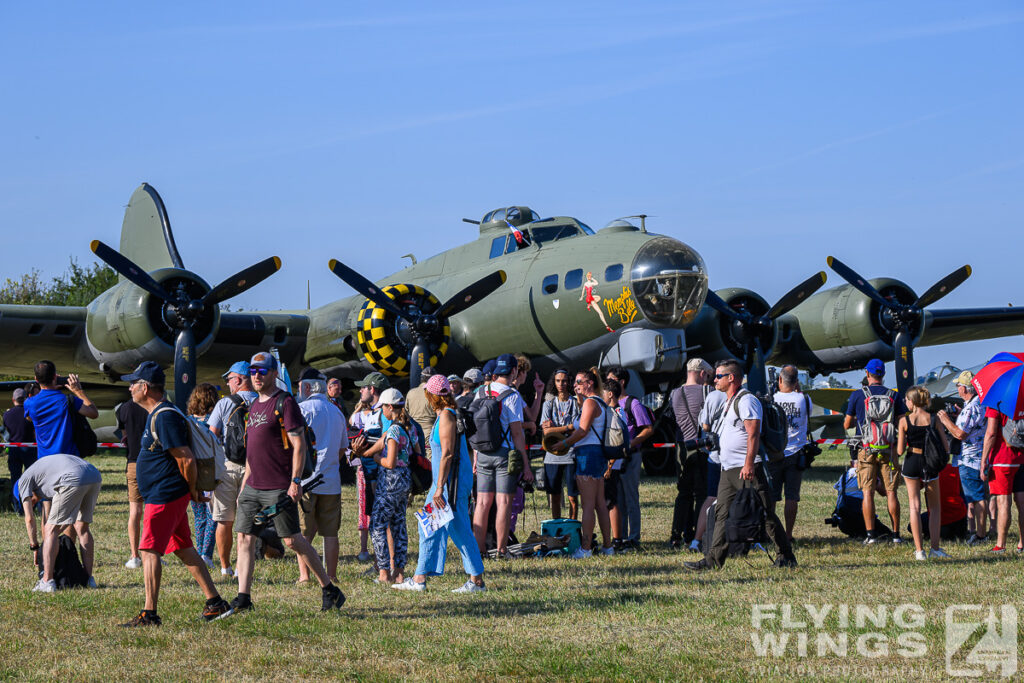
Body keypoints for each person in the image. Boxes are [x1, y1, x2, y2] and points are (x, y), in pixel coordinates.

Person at [119, 361, 233, 626]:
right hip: (167, 493)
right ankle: (215, 602)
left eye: (133, 383)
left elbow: (186, 459)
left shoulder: (165, 415)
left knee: (148, 550)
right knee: (183, 548)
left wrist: (192, 490)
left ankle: (149, 613)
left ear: (145, 387)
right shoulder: (158, 413)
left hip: (165, 494)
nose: (130, 388)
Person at [232, 352, 346, 614]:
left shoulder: (285, 403)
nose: (257, 376)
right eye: (253, 371)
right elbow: (251, 451)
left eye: (262, 371)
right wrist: (243, 486)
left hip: (277, 486)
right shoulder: (254, 407)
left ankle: (329, 588)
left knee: (293, 541)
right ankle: (244, 598)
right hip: (252, 486)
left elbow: (299, 444)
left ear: (274, 373)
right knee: (244, 539)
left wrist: (295, 481)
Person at [684, 360, 796, 572]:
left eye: (718, 376)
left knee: (766, 513)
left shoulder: (747, 401)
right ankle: (712, 560)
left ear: (731, 378)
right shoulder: (729, 401)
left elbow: (753, 433)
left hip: (747, 469)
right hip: (728, 470)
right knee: (721, 515)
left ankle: (786, 554)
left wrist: (748, 464)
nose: (714, 379)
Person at [394, 375, 486, 593]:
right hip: (446, 481)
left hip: (448, 483)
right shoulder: (444, 415)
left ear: (431, 395)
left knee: (456, 526)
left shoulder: (446, 416)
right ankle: (421, 577)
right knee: (431, 526)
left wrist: (438, 488)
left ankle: (475, 580)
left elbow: (447, 454)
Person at [470, 353, 534, 557]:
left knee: (481, 503)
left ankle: (478, 550)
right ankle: (501, 549)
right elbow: (517, 433)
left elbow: (475, 427)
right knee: (504, 503)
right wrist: (526, 464)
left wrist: (476, 455)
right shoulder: (512, 395)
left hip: (483, 452)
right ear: (514, 371)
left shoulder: (480, 391)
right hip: (504, 453)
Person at [551, 368, 614, 559]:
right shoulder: (599, 402)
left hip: (587, 453)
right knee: (599, 503)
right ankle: (607, 546)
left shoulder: (590, 403)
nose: (575, 385)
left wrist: (562, 443)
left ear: (589, 383)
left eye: (579, 382)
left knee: (588, 504)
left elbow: (582, 431)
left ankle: (585, 548)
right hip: (598, 454)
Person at [18, 453, 101, 592]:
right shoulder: (41, 474)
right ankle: (88, 579)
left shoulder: (23, 481)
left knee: (50, 529)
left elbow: (29, 518)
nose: (33, 502)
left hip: (72, 477)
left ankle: (47, 581)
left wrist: (35, 547)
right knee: (83, 527)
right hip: (94, 474)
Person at [844, 358, 905, 545]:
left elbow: (847, 424)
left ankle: (870, 535)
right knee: (891, 492)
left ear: (867, 374)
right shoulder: (894, 395)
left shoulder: (857, 395)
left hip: (866, 448)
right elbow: (902, 422)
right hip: (888, 449)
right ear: (883, 375)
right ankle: (896, 535)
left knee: (868, 492)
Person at [295, 368, 347, 584]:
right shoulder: (336, 411)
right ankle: (331, 575)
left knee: (303, 533)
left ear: (307, 387)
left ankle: (305, 575)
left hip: (305, 479)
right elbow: (343, 448)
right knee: (330, 532)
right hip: (331, 480)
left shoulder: (301, 409)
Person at [207, 360, 257, 578]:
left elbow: (212, 434)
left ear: (238, 379)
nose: (228, 384)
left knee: (224, 519)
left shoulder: (225, 403)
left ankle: (225, 567)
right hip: (255, 467)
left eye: (229, 380)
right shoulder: (263, 400)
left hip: (228, 465)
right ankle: (241, 567)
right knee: (246, 522)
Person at [896, 385, 950, 560]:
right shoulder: (934, 419)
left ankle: (919, 551)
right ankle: (935, 548)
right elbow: (946, 446)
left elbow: (899, 451)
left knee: (914, 506)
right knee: (934, 507)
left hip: (912, 461)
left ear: (911, 402)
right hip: (930, 463)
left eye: (906, 400)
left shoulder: (904, 421)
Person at [366, 388, 414, 584]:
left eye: (382, 408)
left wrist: (377, 458)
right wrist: (364, 452)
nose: (381, 412)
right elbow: (377, 445)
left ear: (390, 407)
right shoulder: (405, 427)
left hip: (391, 480)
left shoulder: (393, 430)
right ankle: (399, 573)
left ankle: (384, 573)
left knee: (377, 526)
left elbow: (390, 461)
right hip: (404, 482)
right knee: (398, 525)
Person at [937, 370, 988, 544]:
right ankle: (976, 531)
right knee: (973, 498)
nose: (957, 389)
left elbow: (960, 434)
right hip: (975, 457)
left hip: (970, 459)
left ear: (965, 389)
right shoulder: (976, 404)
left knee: (977, 498)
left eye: (958, 386)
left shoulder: (972, 407)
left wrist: (945, 420)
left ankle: (981, 535)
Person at [605, 366, 653, 551]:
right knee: (619, 499)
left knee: (631, 497)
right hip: (615, 458)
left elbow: (648, 429)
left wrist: (630, 443)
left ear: (621, 382)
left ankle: (634, 538)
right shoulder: (608, 404)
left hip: (631, 457)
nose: (607, 383)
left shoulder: (632, 404)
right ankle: (621, 536)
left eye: (611, 379)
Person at [667, 358, 712, 549]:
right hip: (701, 446)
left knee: (683, 493)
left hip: (682, 447)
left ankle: (677, 535)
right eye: (708, 375)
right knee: (701, 493)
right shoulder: (708, 392)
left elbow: (671, 419)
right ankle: (696, 534)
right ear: (702, 373)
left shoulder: (675, 393)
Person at [768, 365, 813, 542]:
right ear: (796, 382)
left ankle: (770, 533)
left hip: (776, 451)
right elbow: (807, 413)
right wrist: (797, 388)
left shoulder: (772, 399)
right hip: (796, 452)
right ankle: (788, 534)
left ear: (780, 380)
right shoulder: (804, 399)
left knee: (771, 496)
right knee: (792, 496)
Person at [349, 371, 389, 563]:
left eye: (363, 387)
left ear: (372, 389)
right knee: (377, 517)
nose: (360, 390)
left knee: (383, 519)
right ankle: (382, 561)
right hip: (372, 472)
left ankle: (386, 563)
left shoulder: (384, 412)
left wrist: (362, 452)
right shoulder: (373, 411)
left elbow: (386, 441)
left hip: (382, 473)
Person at [23, 360, 99, 457]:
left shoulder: (29, 403)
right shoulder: (67, 400)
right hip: (69, 457)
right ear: (55, 377)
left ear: (36, 379)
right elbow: (93, 413)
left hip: (45, 459)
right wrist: (78, 391)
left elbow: (29, 418)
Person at [980, 393, 1024, 553]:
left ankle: (1001, 544)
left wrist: (984, 459)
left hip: (1002, 458)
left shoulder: (996, 402)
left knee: (1003, 503)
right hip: (1022, 456)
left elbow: (991, 432)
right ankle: (1021, 543)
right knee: (1022, 503)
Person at [186, 384, 220, 567]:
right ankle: (206, 554)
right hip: (210, 469)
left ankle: (200, 552)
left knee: (198, 516)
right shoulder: (213, 421)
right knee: (213, 514)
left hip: (193, 470)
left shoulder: (188, 420)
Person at [692, 380, 728, 552]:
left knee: (712, 498)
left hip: (716, 456)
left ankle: (697, 540)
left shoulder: (713, 396)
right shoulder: (744, 396)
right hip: (733, 458)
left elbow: (705, 425)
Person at [541, 368, 580, 520]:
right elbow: (546, 432)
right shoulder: (549, 404)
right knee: (555, 496)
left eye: (564, 381)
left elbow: (577, 429)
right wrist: (567, 427)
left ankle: (572, 525)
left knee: (573, 497)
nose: (561, 384)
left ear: (569, 382)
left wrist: (554, 429)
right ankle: (557, 525)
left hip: (571, 453)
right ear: (554, 382)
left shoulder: (575, 403)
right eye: (558, 381)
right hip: (552, 454)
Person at [115, 395, 149, 568]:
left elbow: (124, 435)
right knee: (152, 510)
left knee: (135, 511)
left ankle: (135, 555)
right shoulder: (152, 406)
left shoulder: (124, 408)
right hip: (153, 462)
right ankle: (152, 552)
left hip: (133, 462)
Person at [602, 379, 630, 549]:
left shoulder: (613, 412)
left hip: (612, 463)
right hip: (615, 463)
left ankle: (617, 539)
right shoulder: (620, 411)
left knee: (610, 502)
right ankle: (616, 537)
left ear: (610, 394)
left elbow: (615, 439)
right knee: (611, 500)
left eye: (603, 393)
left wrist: (609, 465)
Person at [4, 388, 36, 513]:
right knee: (31, 480)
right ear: (26, 398)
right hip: (30, 448)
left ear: (13, 400)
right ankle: (33, 506)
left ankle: (18, 507)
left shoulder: (7, 415)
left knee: (15, 479)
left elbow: (7, 430)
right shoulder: (30, 413)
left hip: (14, 449)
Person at [406, 366, 438, 454]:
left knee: (416, 458)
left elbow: (405, 413)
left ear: (421, 378)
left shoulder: (410, 393)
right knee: (430, 460)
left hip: (413, 432)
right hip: (429, 433)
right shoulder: (435, 394)